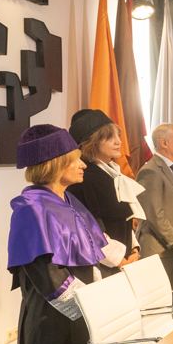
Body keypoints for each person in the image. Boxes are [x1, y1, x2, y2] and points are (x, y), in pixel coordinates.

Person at [9, 125, 129, 344]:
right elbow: (43, 270)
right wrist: (84, 302)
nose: (83, 165)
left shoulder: (67, 201)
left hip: (77, 304)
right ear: (55, 163)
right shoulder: (31, 207)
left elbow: (94, 246)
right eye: (75, 159)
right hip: (51, 309)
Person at [66, 109, 143, 267]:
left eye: (118, 136)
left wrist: (134, 247)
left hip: (126, 257)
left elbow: (125, 219)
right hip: (105, 264)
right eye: (109, 137)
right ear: (92, 142)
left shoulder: (113, 173)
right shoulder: (84, 178)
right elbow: (89, 227)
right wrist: (119, 259)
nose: (118, 142)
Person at [136, 123, 173, 286]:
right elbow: (154, 215)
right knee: (164, 297)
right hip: (158, 249)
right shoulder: (150, 171)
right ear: (164, 143)